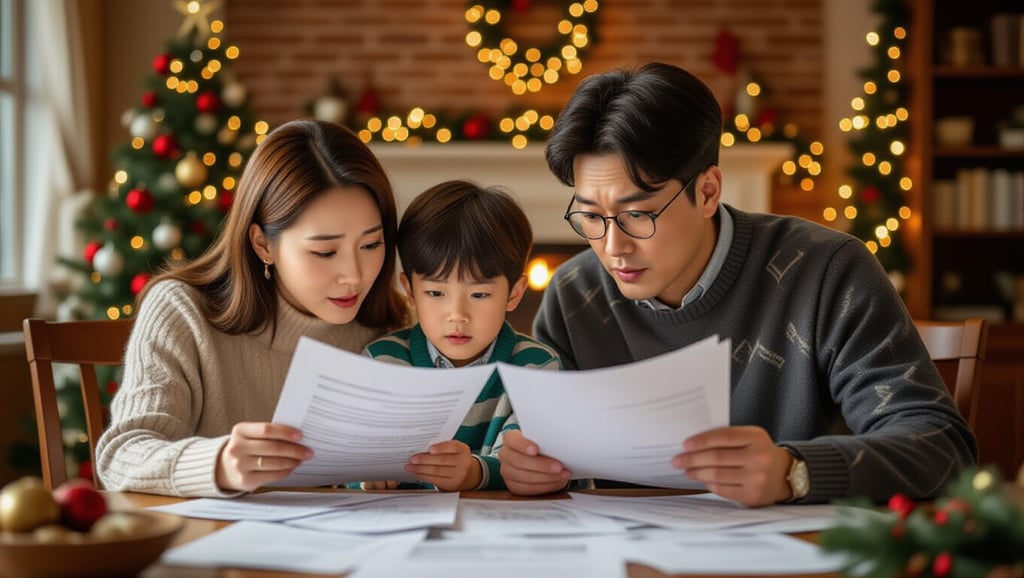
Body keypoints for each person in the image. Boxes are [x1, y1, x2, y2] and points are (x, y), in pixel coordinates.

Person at [498, 62, 977, 506]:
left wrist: (795, 471)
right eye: (590, 216)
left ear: (707, 191)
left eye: (637, 214)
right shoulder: (573, 293)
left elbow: (942, 446)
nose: (612, 246)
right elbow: (552, 455)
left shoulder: (827, 270)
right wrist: (526, 467)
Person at [95, 119, 409, 497]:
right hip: (212, 547)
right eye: (325, 251)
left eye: (371, 245)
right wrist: (219, 463)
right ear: (263, 244)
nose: (354, 276)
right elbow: (120, 456)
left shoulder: (388, 325)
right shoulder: (181, 311)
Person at [362, 180, 561, 491]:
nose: (457, 314)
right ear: (409, 291)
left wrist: (474, 473)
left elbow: (529, 464)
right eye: (435, 292)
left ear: (514, 293)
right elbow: (348, 459)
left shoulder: (534, 366)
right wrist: (364, 475)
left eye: (479, 294)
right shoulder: (382, 361)